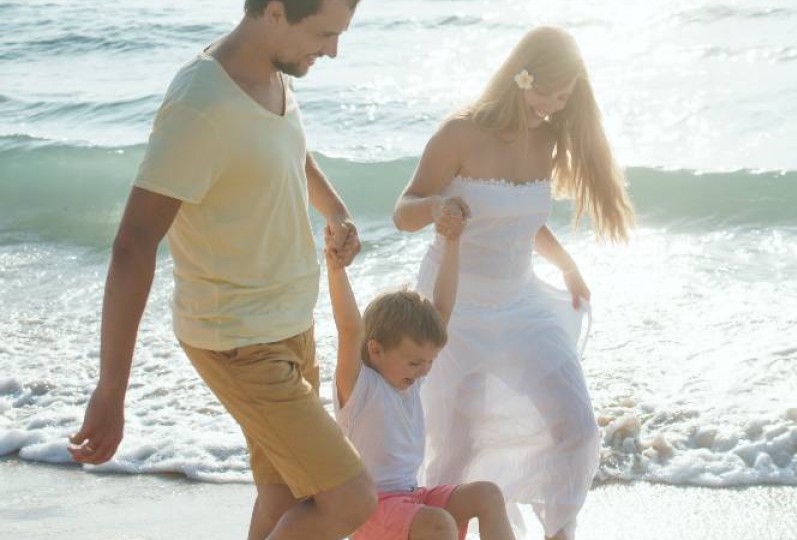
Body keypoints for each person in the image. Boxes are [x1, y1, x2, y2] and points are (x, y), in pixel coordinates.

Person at [69, 1, 376, 538]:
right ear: (276, 10)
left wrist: (336, 210)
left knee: (285, 499)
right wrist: (111, 388)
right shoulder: (200, 104)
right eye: (326, 33)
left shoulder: (274, 73)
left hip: (289, 326)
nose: (333, 50)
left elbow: (290, 152)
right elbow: (134, 244)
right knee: (350, 498)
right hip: (238, 340)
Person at [392, 26, 635, 540]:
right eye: (542, 92)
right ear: (518, 77)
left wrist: (566, 263)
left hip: (521, 303)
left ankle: (558, 532)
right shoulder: (460, 132)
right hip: (453, 305)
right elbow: (402, 211)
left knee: (577, 426)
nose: (548, 106)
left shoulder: (547, 139)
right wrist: (438, 209)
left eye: (562, 97)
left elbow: (519, 217)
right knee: (454, 446)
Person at [327, 199, 516, 540]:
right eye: (416, 362)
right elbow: (348, 328)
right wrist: (336, 269)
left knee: (487, 494)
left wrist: (452, 242)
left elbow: (442, 308)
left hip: (410, 497)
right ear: (376, 350)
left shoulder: (407, 375)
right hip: (369, 508)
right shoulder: (359, 386)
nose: (425, 371)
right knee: (438, 523)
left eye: (429, 361)